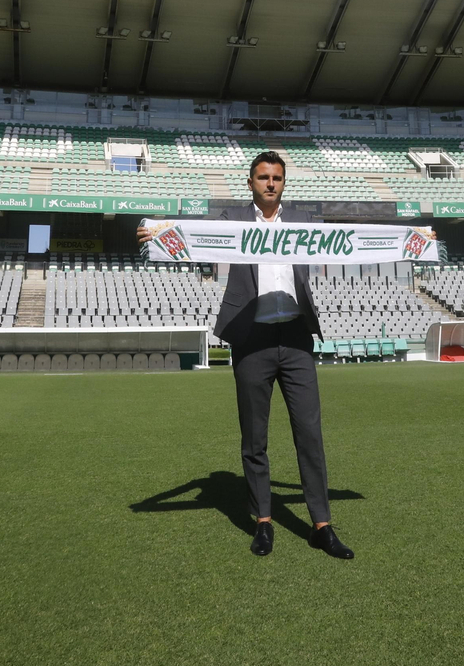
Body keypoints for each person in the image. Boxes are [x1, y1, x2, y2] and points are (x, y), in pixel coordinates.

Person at [138, 151, 358, 559]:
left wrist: (415, 239)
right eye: (263, 177)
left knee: (309, 433)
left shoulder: (305, 224)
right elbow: (194, 232)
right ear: (250, 182)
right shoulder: (231, 222)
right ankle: (263, 521)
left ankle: (322, 526)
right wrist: (162, 230)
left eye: (276, 177)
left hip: (295, 339)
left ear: (284, 182)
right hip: (251, 338)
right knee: (254, 438)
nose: (270, 183)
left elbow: (352, 238)